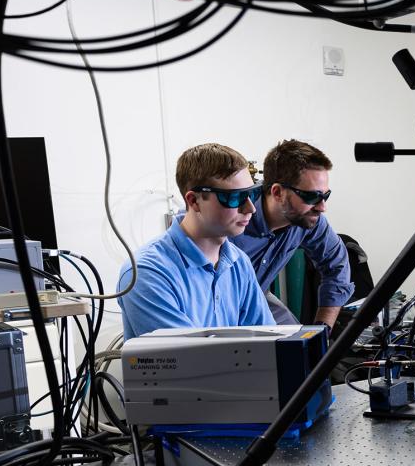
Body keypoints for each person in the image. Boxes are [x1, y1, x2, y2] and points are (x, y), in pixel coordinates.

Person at [118, 143, 274, 340]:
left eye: (252, 194)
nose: (250, 208)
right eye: (235, 198)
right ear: (194, 201)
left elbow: (267, 340)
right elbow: (189, 361)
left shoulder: (238, 263)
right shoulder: (147, 272)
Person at [231, 139, 354, 330]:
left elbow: (336, 265)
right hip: (219, 306)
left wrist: (323, 330)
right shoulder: (232, 219)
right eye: (312, 196)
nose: (322, 207)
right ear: (278, 192)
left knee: (302, 350)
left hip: (258, 294)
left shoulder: (308, 220)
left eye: (325, 195)